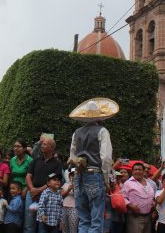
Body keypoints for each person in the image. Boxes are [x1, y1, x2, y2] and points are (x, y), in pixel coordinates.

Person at [68, 98, 117, 233]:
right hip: (95, 174)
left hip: (79, 175)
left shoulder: (76, 133)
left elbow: (72, 157)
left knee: (84, 219)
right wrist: (106, 179)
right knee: (96, 220)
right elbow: (106, 158)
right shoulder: (102, 131)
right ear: (99, 117)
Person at [24, 137, 63, 233]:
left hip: (47, 195)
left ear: (52, 148)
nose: (42, 145)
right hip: (31, 194)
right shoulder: (36, 160)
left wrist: (39, 190)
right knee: (29, 223)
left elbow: (55, 181)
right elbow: (28, 176)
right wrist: (32, 189)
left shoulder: (57, 164)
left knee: (43, 224)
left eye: (45, 144)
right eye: (42, 144)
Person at [122, 162, 155, 233]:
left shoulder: (148, 183)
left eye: (139, 170)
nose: (137, 171)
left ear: (143, 171)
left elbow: (151, 197)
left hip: (148, 216)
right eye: (135, 170)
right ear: (132, 171)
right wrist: (132, 206)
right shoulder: (128, 183)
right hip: (135, 217)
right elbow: (122, 198)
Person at [60, 167, 78, 233]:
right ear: (69, 176)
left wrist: (74, 189)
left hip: (74, 209)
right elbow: (61, 195)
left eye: (75, 175)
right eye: (72, 175)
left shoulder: (79, 186)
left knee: (73, 229)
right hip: (64, 208)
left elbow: (79, 197)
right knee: (64, 229)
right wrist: (68, 189)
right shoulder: (66, 184)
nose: (73, 177)